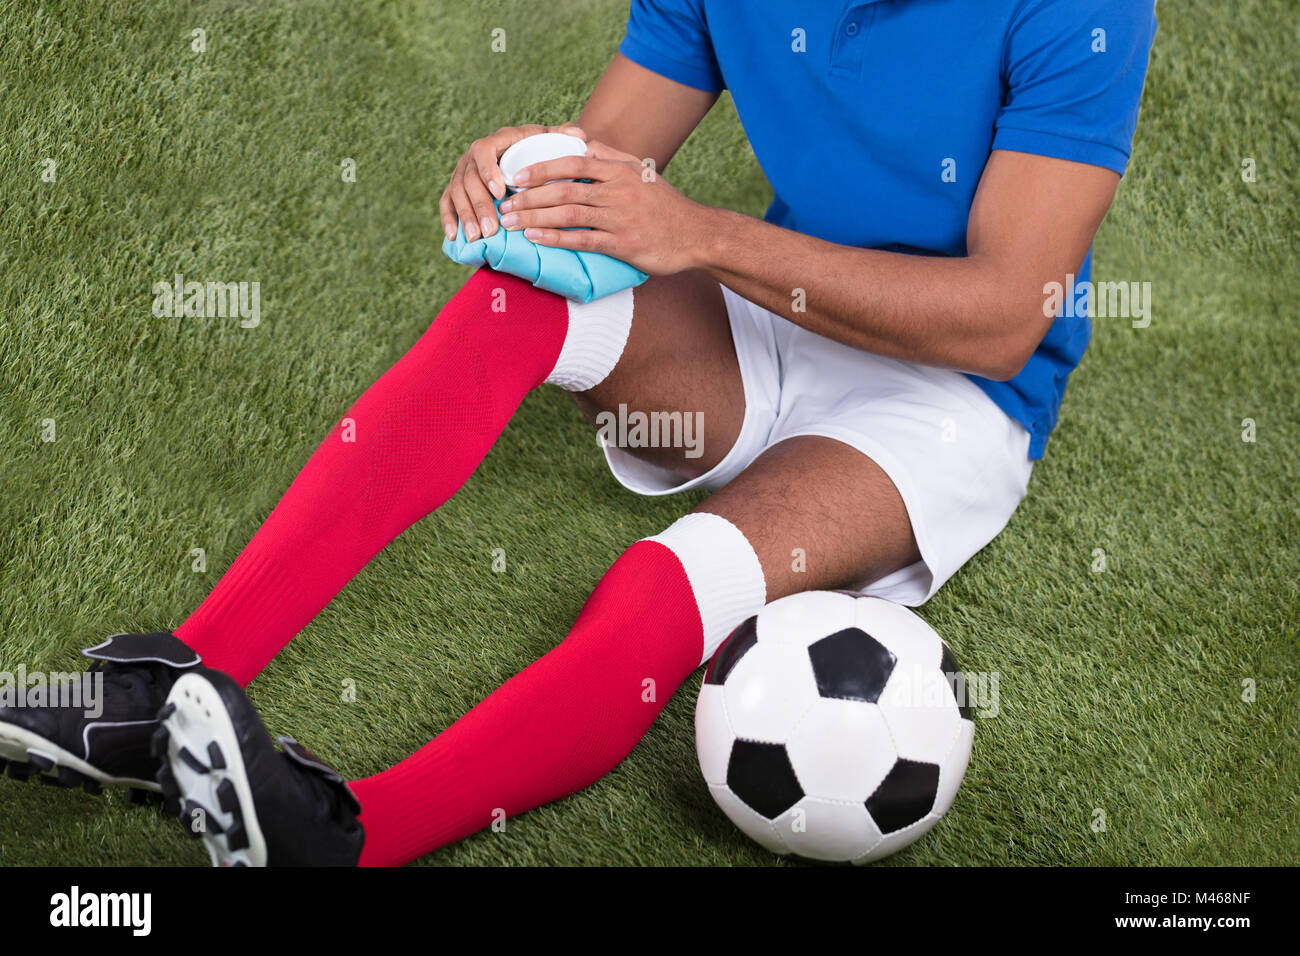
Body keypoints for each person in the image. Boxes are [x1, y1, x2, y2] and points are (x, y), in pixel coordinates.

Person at [0, 0, 1157, 865]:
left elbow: (1004, 318)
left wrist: (699, 235)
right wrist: (522, 179)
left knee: (676, 577)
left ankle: (346, 834)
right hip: (768, 323)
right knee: (517, 294)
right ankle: (172, 684)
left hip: (946, 398)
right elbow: (605, 174)